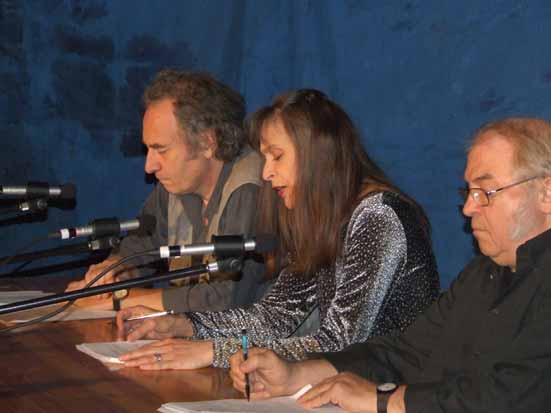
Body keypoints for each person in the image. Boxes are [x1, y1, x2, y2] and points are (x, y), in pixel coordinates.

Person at [230, 117, 551, 413]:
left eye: (485, 192)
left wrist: (383, 399)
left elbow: (509, 396)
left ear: (546, 193)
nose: (468, 208)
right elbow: (404, 352)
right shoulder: (481, 275)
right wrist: (295, 375)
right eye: (469, 192)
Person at [115, 89, 439, 370]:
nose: (266, 173)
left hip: (397, 392)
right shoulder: (320, 218)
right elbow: (275, 317)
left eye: (277, 157)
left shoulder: (377, 216)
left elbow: (340, 343)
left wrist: (215, 351)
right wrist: (185, 325)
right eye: (265, 158)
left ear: (317, 156)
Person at [66, 69, 269, 312]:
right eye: (148, 150)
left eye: (161, 150)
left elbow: (226, 298)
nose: (149, 166)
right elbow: (141, 246)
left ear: (207, 143)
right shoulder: (176, 185)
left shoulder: (249, 189)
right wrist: (116, 271)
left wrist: (119, 300)